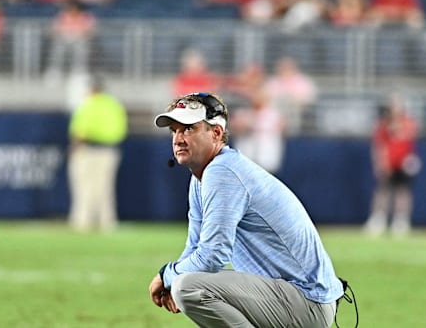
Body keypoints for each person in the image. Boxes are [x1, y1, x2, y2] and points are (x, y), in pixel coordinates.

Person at [148, 92, 346, 328]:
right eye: (175, 130)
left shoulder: (222, 171)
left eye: (189, 129)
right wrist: (173, 277)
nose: (179, 138)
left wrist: (167, 276)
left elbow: (212, 256)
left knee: (188, 287)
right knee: (185, 283)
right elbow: (195, 248)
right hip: (298, 297)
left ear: (216, 133)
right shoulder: (203, 177)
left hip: (307, 300)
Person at [67, 77, 128, 232]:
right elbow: (121, 130)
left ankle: (83, 222)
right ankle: (107, 222)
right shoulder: (114, 105)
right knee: (105, 188)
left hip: (88, 149)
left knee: (85, 187)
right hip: (109, 150)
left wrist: (74, 148)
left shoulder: (89, 104)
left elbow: (80, 130)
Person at [364, 96, 420, 237]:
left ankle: (401, 220)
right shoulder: (383, 125)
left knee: (402, 192)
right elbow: (378, 145)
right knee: (383, 191)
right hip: (387, 163)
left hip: (402, 163)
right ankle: (378, 219)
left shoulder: (407, 122)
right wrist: (380, 163)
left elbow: (409, 141)